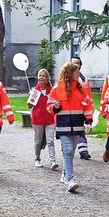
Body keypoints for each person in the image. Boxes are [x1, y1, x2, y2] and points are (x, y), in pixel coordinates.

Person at [48, 61, 94, 192]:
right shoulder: (57, 89)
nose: (78, 72)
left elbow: (87, 106)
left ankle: (64, 174)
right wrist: (55, 107)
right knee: (68, 151)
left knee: (71, 153)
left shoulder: (81, 88)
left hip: (77, 126)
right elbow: (49, 107)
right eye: (76, 70)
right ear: (69, 73)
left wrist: (89, 121)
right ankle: (70, 179)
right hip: (63, 126)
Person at [28, 68, 58, 170]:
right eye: (40, 75)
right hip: (38, 118)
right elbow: (29, 106)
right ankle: (37, 158)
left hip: (50, 118)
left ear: (47, 78)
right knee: (38, 141)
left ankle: (52, 161)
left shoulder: (52, 90)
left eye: (43, 76)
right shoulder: (35, 90)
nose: (41, 77)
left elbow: (56, 103)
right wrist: (30, 97)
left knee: (50, 140)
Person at [70, 56, 93, 160]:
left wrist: (89, 115)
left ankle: (83, 151)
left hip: (80, 108)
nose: (76, 65)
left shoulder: (84, 80)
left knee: (81, 129)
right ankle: (67, 148)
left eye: (77, 63)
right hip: (68, 109)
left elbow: (88, 97)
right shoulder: (65, 79)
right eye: (73, 63)